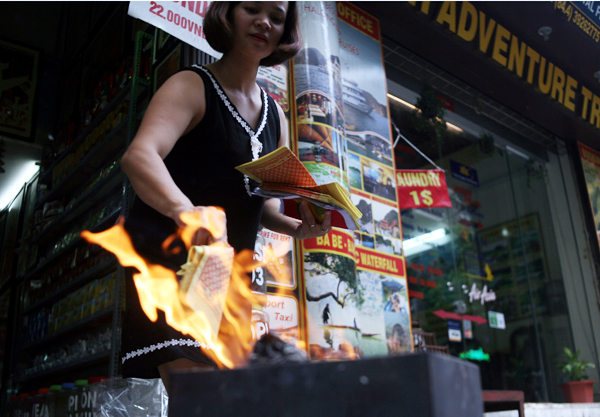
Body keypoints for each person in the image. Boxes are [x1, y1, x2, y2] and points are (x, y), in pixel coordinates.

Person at [119, 1, 332, 393]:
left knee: (223, 400)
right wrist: (184, 210)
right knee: (202, 399)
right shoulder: (192, 85)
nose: (264, 22)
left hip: (224, 275)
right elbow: (139, 156)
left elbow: (264, 202)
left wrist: (296, 227)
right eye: (252, 8)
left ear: (284, 34)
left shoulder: (277, 116)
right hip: (175, 260)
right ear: (228, 14)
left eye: (277, 18)